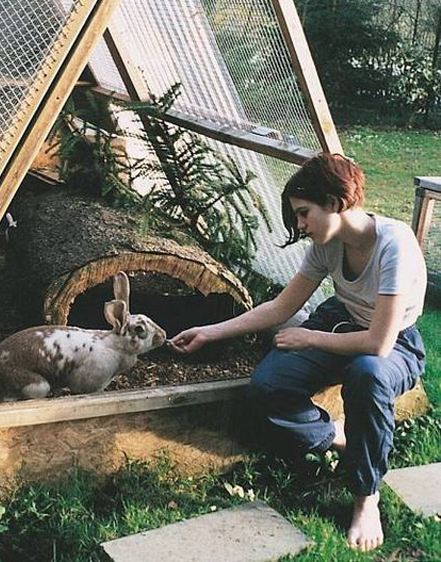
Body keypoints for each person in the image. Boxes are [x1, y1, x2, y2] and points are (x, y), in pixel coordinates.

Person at [168, 152, 426, 552]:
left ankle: (366, 496)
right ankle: (339, 436)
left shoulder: (395, 245)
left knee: (369, 374)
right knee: (268, 386)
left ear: (335, 202)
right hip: (339, 321)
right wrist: (210, 332)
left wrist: (309, 339)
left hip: (396, 341)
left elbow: (379, 344)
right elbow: (281, 307)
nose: (301, 225)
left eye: (304, 213)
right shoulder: (327, 244)